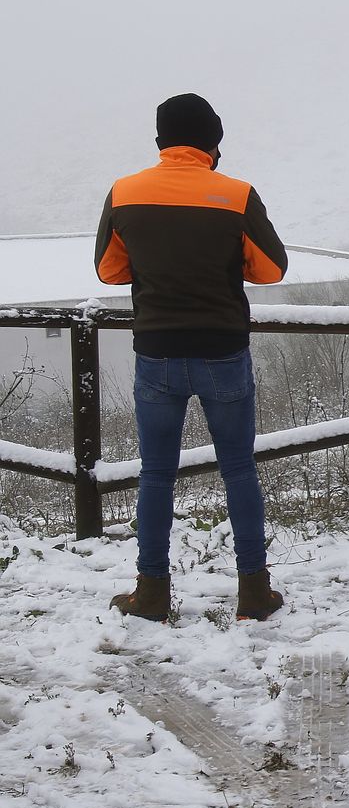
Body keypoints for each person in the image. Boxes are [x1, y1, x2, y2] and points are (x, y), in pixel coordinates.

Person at [95, 94, 289, 622]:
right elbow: (271, 269)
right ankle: (253, 592)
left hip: (156, 352)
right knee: (238, 469)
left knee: (155, 474)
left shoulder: (125, 192)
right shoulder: (236, 194)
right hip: (222, 350)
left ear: (160, 140)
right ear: (213, 142)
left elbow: (109, 272)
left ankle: (151, 594)